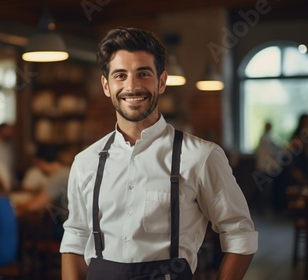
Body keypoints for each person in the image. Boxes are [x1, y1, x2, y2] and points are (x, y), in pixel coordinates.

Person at [60, 27, 257, 280]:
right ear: (106, 85)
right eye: (120, 75)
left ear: (161, 81)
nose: (132, 86)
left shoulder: (201, 156)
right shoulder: (85, 162)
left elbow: (240, 234)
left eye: (143, 74)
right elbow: (75, 238)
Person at [18, 146, 70, 240]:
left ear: (40, 162)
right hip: (76, 225)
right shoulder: (65, 171)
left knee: (29, 232)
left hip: (68, 229)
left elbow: (33, 206)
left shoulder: (58, 177)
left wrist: (16, 205)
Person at [254, 121, 282, 212]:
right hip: (265, 167)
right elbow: (270, 152)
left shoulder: (266, 138)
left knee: (261, 187)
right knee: (261, 188)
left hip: (265, 166)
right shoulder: (264, 138)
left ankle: (259, 207)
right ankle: (259, 207)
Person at [288, 113, 308, 190]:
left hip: (307, 171)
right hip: (298, 173)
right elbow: (293, 159)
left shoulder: (307, 137)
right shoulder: (296, 137)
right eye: (307, 122)